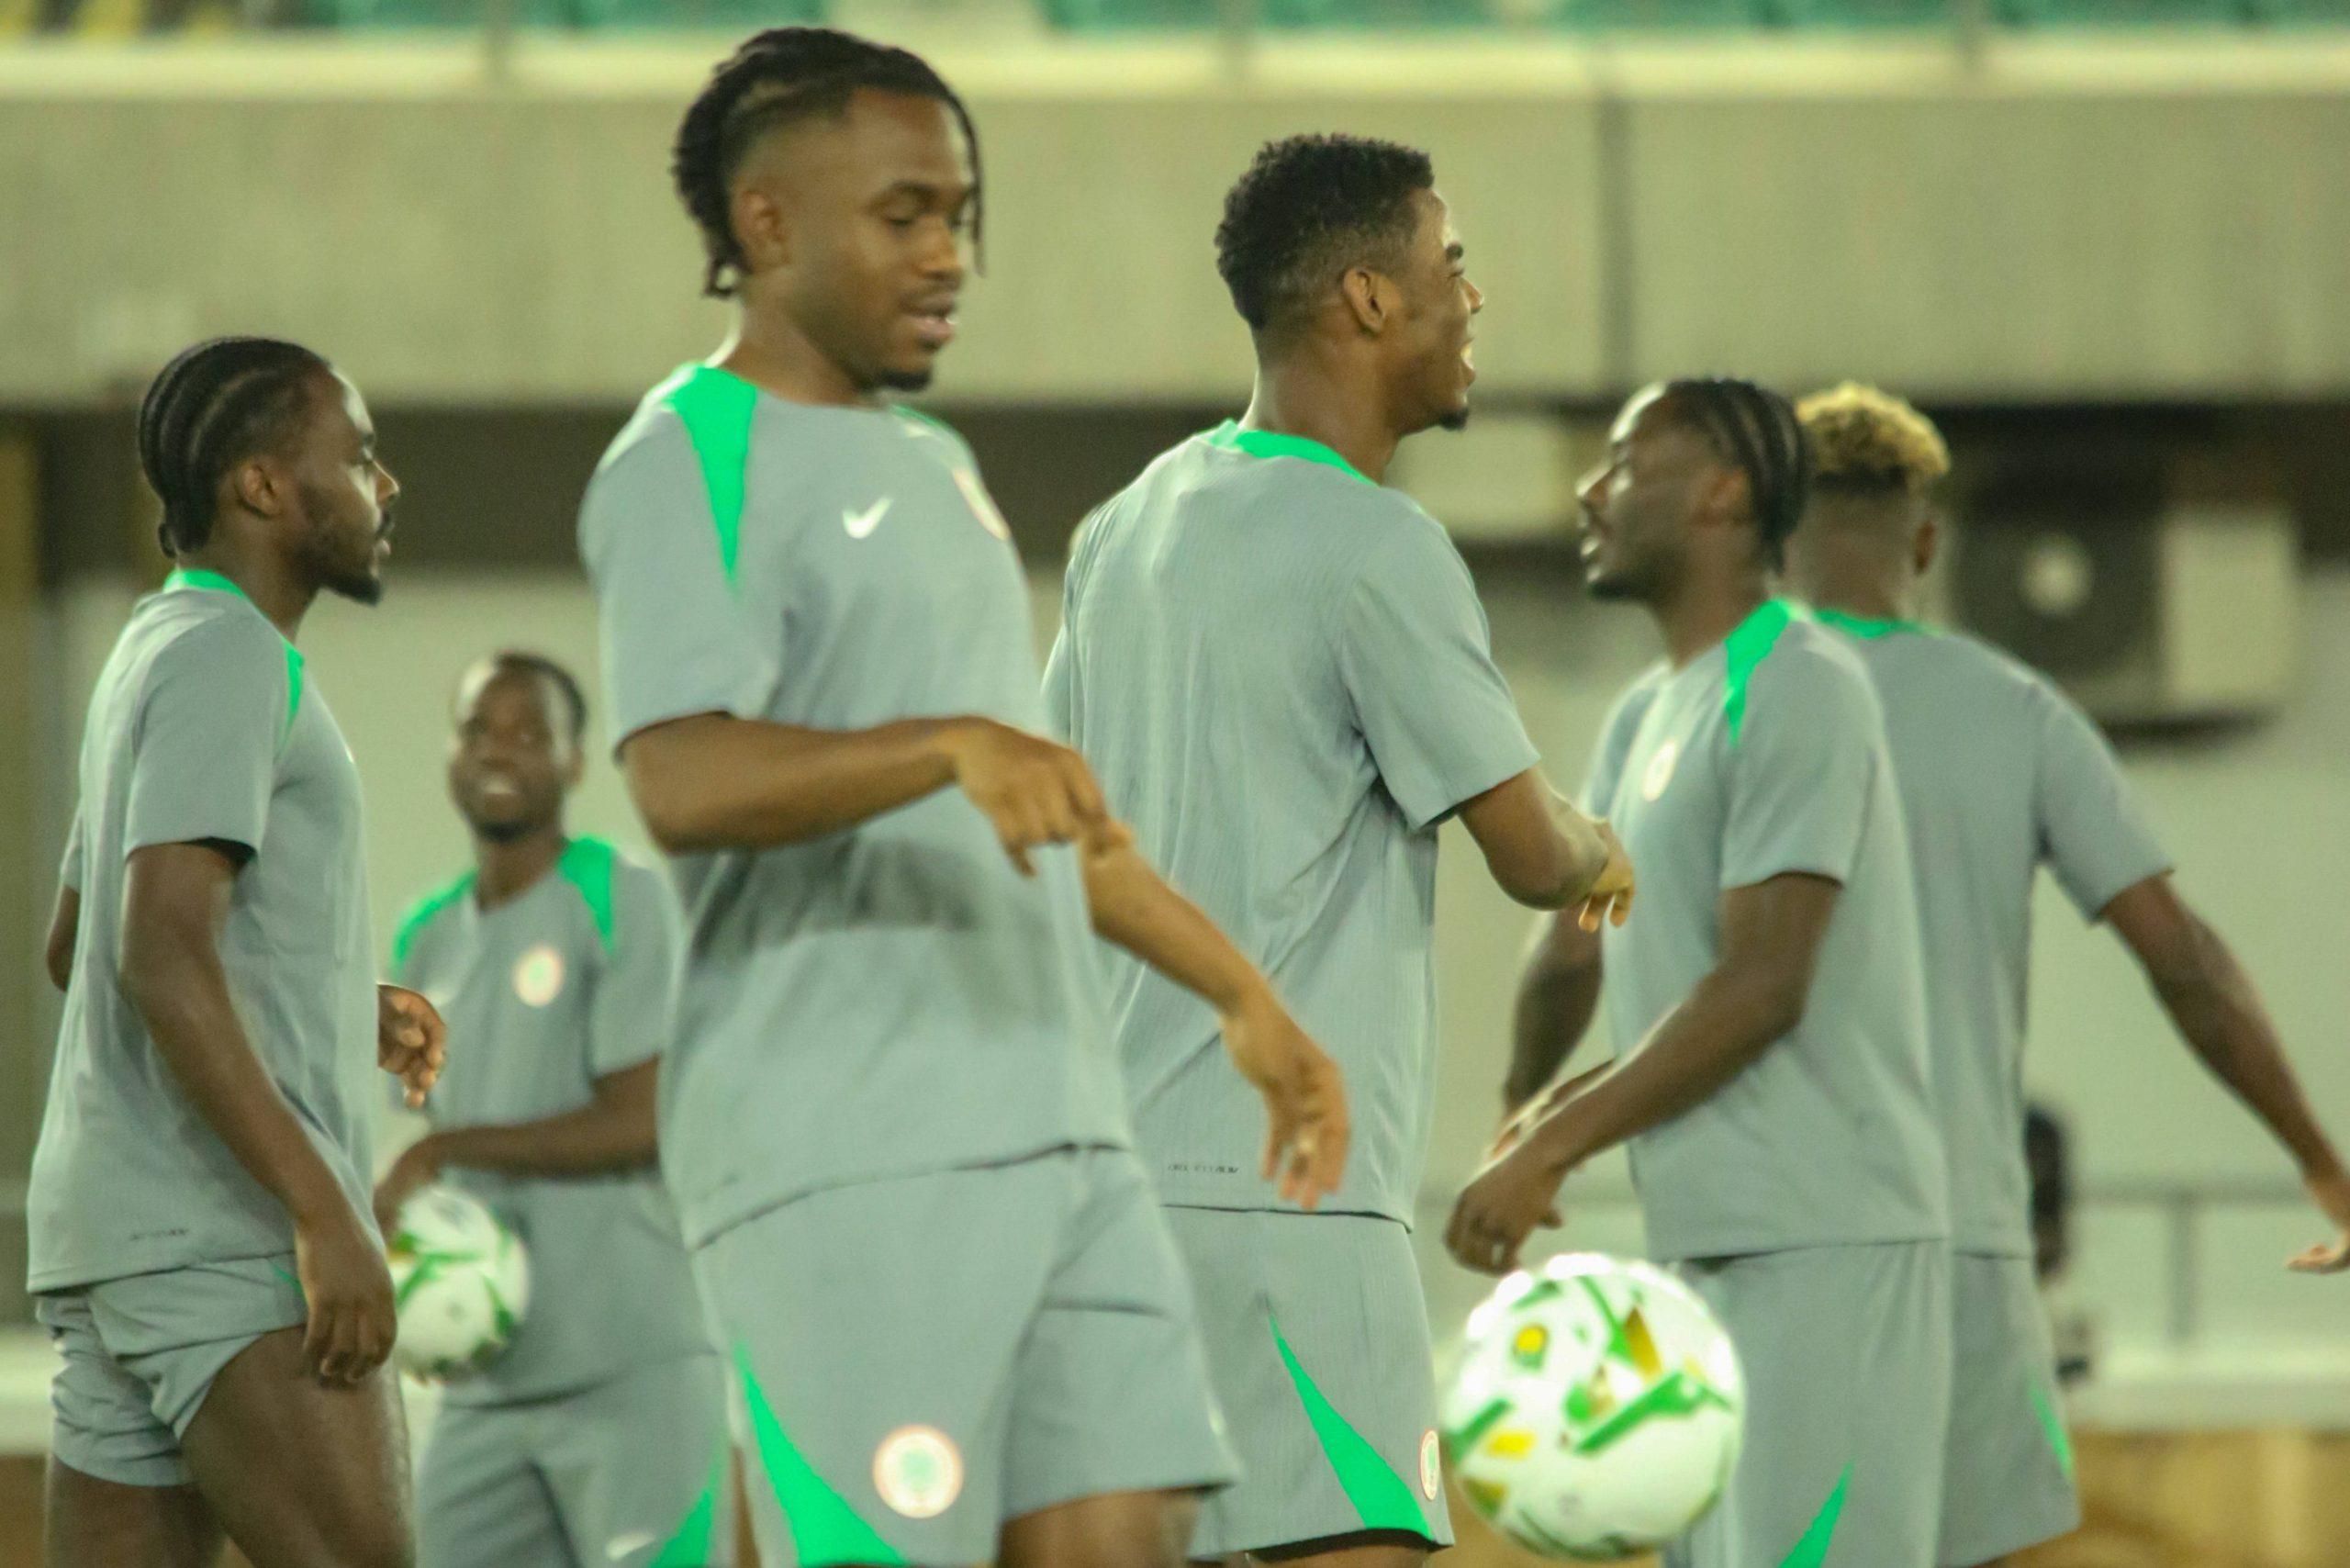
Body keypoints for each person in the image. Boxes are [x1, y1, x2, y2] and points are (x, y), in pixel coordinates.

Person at [579, 28, 1348, 1568]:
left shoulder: (934, 462)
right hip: (845, 1151)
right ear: (766, 224)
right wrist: (942, 744)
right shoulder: (684, 454)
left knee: (1133, 1534)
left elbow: (1032, 801)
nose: (950, 256)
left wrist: (1245, 997)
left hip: (1064, 1130)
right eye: (907, 212)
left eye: (963, 214)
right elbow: (680, 773)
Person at [1044, 132, 1630, 1568]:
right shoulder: (1379, 546)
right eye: (1453, 262)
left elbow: (1061, 841)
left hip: (1114, 1201)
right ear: (1369, 300)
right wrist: (1598, 847)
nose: (1472, 298)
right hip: (1294, 1204)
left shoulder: (1121, 531)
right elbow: (1522, 845)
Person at [1783, 381, 2350, 1567]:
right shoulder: (2016, 712)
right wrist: (2315, 1156)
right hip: (1967, 1253)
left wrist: (1534, 1126)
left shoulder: (1703, 710)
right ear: (1927, 543)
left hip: (1773, 1247)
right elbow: (2185, 962)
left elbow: (1595, 949)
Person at [1453, 378, 1951, 1568]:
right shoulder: (1643, 718)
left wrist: (1551, 1150)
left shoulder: (1800, 684)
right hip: (1704, 1258)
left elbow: (1762, 983)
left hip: (1830, 1244)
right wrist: (1523, 1109)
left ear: (1725, 492)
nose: (1589, 489)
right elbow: (1581, 943)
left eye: (1625, 461)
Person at [32, 335, 442, 1568]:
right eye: (359, 456)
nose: (386, 486)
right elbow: (157, 953)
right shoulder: (233, 659)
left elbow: (79, 943)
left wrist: (320, 989)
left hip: (116, 1245)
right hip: (227, 1241)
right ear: (263, 487)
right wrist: (325, 1209)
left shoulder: (152, 649)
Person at [375, 652, 729, 1568]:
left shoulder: (622, 896)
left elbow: (640, 1116)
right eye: (479, 728)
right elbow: (427, 1141)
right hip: (483, 1380)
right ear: (450, 752)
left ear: (576, 763)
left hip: (629, 1370)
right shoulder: (426, 932)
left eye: (532, 732)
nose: (502, 750)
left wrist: (444, 1147)